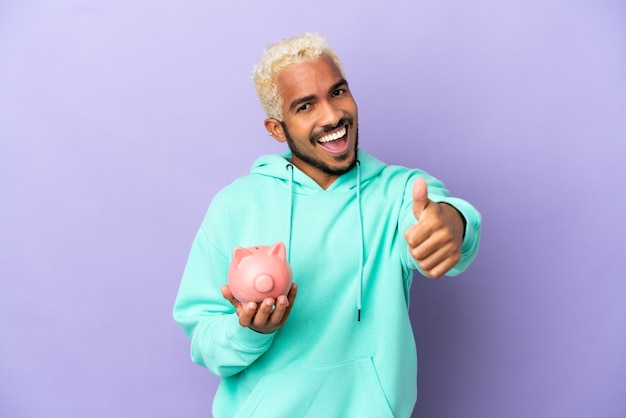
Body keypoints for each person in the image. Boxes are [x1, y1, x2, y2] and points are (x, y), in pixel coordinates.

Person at [173, 32, 481, 418]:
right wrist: (250, 332)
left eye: (338, 93)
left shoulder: (398, 191)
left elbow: (440, 215)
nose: (333, 116)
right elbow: (205, 341)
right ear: (277, 129)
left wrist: (454, 224)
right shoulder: (235, 206)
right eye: (305, 106)